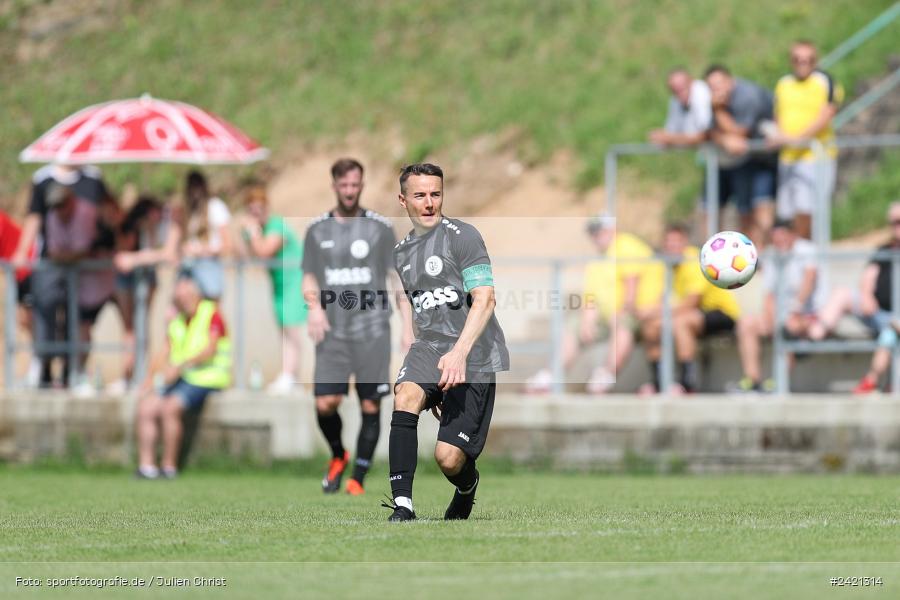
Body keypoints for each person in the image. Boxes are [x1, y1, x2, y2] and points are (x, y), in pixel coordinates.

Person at [385, 162, 510, 522]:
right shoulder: (402, 252)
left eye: (435, 194)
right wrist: (428, 381)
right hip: (430, 347)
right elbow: (419, 306)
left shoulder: (463, 236)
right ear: (403, 200)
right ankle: (403, 506)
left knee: (449, 458)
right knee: (406, 394)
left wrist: (458, 354)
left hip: (475, 352)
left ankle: (467, 489)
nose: (429, 203)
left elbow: (485, 298)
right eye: (420, 195)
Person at [301, 158, 412, 496]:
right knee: (325, 402)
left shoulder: (379, 228)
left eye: (355, 185)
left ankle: (357, 479)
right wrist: (314, 308)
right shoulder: (317, 230)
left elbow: (396, 279)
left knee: (370, 405)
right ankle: (338, 455)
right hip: (333, 331)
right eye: (344, 185)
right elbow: (309, 275)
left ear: (362, 185)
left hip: (372, 328)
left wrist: (408, 328)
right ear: (334, 186)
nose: (350, 191)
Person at [524, 215, 662, 394]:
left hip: (639, 311)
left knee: (623, 324)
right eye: (593, 232)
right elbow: (591, 297)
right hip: (610, 314)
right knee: (573, 326)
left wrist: (623, 310)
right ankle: (551, 376)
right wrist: (587, 320)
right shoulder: (597, 260)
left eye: (600, 230)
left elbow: (631, 283)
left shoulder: (627, 245)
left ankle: (605, 376)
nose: (596, 236)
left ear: (612, 229)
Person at [135, 275, 231, 479]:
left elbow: (211, 349)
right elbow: (163, 353)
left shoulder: (212, 313)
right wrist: (149, 381)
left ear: (196, 295)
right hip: (183, 378)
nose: (184, 300)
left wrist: (181, 366)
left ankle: (169, 467)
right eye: (179, 297)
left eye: (187, 295)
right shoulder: (176, 321)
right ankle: (146, 467)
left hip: (207, 379)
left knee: (170, 407)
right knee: (146, 407)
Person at [807, 202, 900, 393]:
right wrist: (866, 296)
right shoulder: (884, 250)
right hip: (879, 313)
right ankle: (815, 334)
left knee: (890, 333)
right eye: (893, 222)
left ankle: (873, 381)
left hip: (895, 319)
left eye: (899, 222)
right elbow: (868, 278)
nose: (895, 226)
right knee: (842, 293)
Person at [639, 223, 741, 393]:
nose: (672, 245)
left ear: (684, 242)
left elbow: (692, 302)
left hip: (720, 312)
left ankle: (687, 383)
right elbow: (663, 298)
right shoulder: (669, 266)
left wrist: (656, 311)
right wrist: (648, 312)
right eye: (668, 242)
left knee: (681, 323)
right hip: (693, 315)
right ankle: (658, 382)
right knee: (651, 326)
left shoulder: (695, 260)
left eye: (676, 241)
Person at [768, 41, 844, 241]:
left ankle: (807, 255)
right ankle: (796, 258)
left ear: (815, 61)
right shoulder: (783, 83)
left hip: (814, 156)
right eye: (797, 60)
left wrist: (795, 139)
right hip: (788, 157)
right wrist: (777, 136)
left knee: (807, 209)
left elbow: (826, 115)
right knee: (786, 213)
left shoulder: (824, 81)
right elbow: (778, 115)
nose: (803, 64)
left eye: (808, 60)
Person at [735, 219, 822, 392]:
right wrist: (769, 316)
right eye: (775, 239)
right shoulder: (772, 254)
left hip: (809, 314)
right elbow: (769, 294)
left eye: (783, 238)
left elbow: (809, 280)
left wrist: (795, 308)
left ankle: (778, 382)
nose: (779, 242)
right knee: (747, 324)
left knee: (787, 326)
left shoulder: (807, 250)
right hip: (782, 314)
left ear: (793, 235)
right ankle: (752, 380)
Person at [238, 183, 306, 394]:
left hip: (295, 281)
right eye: (252, 209)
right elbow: (247, 256)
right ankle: (290, 376)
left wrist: (253, 233)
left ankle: (289, 376)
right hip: (278, 284)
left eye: (260, 207)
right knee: (283, 328)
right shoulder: (260, 230)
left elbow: (265, 251)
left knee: (291, 330)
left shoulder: (276, 225)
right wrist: (246, 235)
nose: (256, 212)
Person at [705, 65, 778, 247]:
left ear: (731, 81)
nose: (716, 91)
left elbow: (739, 134)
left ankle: (758, 254)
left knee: (761, 211)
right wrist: (723, 138)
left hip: (764, 159)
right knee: (743, 211)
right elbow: (710, 133)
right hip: (744, 161)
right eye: (712, 87)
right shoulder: (716, 102)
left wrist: (718, 111)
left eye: (719, 85)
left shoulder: (748, 97)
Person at [108, 196, 167, 394]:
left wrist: (148, 234)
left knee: (141, 326)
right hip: (127, 278)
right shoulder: (127, 225)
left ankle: (141, 374)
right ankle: (128, 374)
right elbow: (122, 248)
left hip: (145, 277)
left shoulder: (154, 229)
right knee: (129, 328)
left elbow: (159, 251)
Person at [180, 171, 232, 301]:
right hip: (190, 268)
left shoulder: (215, 207)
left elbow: (227, 245)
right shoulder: (189, 211)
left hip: (208, 268)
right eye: (191, 186)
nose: (194, 191)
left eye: (197, 186)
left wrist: (202, 250)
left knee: (211, 312)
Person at [0, 210, 38, 386]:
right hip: (17, 275)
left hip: (28, 270)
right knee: (22, 320)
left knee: (29, 321)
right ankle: (30, 368)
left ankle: (36, 368)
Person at [648, 67, 712, 147]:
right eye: (675, 90)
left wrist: (670, 139)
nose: (680, 93)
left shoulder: (702, 94)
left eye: (682, 88)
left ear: (691, 82)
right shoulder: (675, 100)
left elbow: (706, 135)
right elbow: (671, 131)